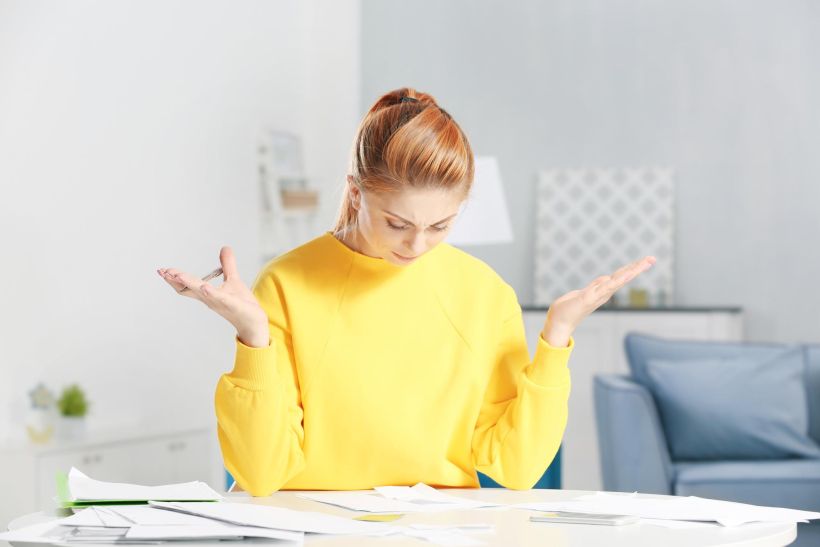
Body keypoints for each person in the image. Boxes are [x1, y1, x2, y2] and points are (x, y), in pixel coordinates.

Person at [158, 87, 655, 496]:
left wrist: (556, 340)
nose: (417, 245)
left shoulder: (484, 293)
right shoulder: (287, 284)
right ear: (356, 193)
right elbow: (261, 475)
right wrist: (253, 340)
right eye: (397, 224)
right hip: (309, 529)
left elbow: (516, 468)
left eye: (440, 225)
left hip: (439, 532)